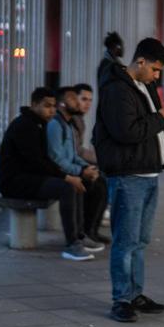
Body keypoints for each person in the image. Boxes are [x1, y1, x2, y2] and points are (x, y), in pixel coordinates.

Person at [93, 38, 164, 322]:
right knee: (126, 241)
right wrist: (161, 117)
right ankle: (121, 299)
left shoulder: (144, 86)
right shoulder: (117, 89)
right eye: (154, 69)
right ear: (139, 62)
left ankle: (135, 292)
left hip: (148, 173)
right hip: (129, 175)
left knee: (140, 240)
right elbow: (126, 132)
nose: (157, 75)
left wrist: (159, 116)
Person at [0, 87, 102, 261]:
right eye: (47, 106)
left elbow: (47, 160)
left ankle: (79, 236)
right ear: (34, 105)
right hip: (14, 182)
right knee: (67, 187)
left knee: (75, 184)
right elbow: (37, 162)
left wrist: (74, 175)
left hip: (30, 177)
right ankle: (72, 244)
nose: (52, 110)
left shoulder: (40, 124)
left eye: (54, 106)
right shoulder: (25, 125)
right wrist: (67, 177)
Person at [50, 86, 110, 245]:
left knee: (99, 182)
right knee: (88, 186)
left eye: (89, 100)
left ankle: (88, 232)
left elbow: (73, 154)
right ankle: (79, 236)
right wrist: (82, 170)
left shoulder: (70, 123)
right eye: (77, 99)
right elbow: (58, 158)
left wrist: (86, 168)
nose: (80, 103)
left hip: (70, 168)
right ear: (62, 103)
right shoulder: (57, 124)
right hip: (59, 172)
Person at [71, 83, 97, 165]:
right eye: (84, 99)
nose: (88, 104)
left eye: (90, 100)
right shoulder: (71, 118)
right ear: (74, 99)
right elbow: (77, 150)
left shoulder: (79, 119)